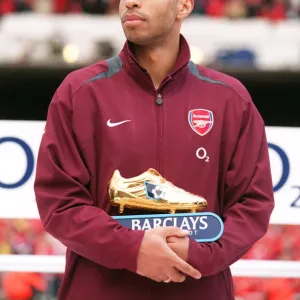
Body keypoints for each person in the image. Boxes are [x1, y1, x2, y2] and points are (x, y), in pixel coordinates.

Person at [34, 0, 275, 299]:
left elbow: (253, 203)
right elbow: (60, 203)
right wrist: (133, 249)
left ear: (184, 6)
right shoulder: (79, 92)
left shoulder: (230, 99)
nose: (130, 2)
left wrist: (200, 254)